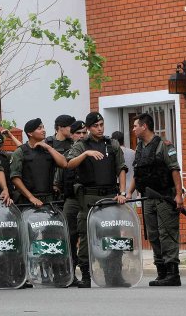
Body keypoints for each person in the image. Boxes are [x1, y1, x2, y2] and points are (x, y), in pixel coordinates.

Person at [66, 112, 127, 288]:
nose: (100, 128)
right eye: (95, 126)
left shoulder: (112, 144)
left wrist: (122, 192)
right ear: (88, 127)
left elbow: (121, 168)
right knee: (86, 234)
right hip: (89, 196)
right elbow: (68, 164)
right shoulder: (81, 145)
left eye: (101, 124)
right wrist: (86, 154)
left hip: (110, 195)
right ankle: (85, 274)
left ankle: (114, 273)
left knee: (113, 234)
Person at [128, 112, 183, 287]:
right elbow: (138, 174)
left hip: (165, 196)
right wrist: (129, 193)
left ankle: (173, 273)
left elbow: (175, 169)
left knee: (167, 233)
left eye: (136, 125)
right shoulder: (140, 148)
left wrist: (179, 195)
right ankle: (162, 272)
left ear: (144, 126)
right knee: (153, 235)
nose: (133, 128)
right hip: (148, 198)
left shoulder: (164, 145)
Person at [10, 118, 67, 206]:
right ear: (30, 133)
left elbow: (64, 164)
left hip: (49, 199)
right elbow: (15, 178)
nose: (43, 130)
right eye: (39, 128)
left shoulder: (48, 149)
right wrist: (31, 197)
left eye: (43, 127)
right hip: (28, 200)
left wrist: (49, 148)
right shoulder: (20, 152)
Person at [60, 120, 87, 287]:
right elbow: (58, 178)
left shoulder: (93, 151)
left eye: (84, 133)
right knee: (70, 236)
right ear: (72, 134)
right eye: (78, 133)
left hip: (87, 198)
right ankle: (69, 273)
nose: (82, 136)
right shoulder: (67, 152)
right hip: (71, 199)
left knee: (87, 235)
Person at [111, 131, 137, 201]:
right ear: (123, 140)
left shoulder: (112, 154)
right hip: (132, 188)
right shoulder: (133, 152)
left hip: (118, 189)